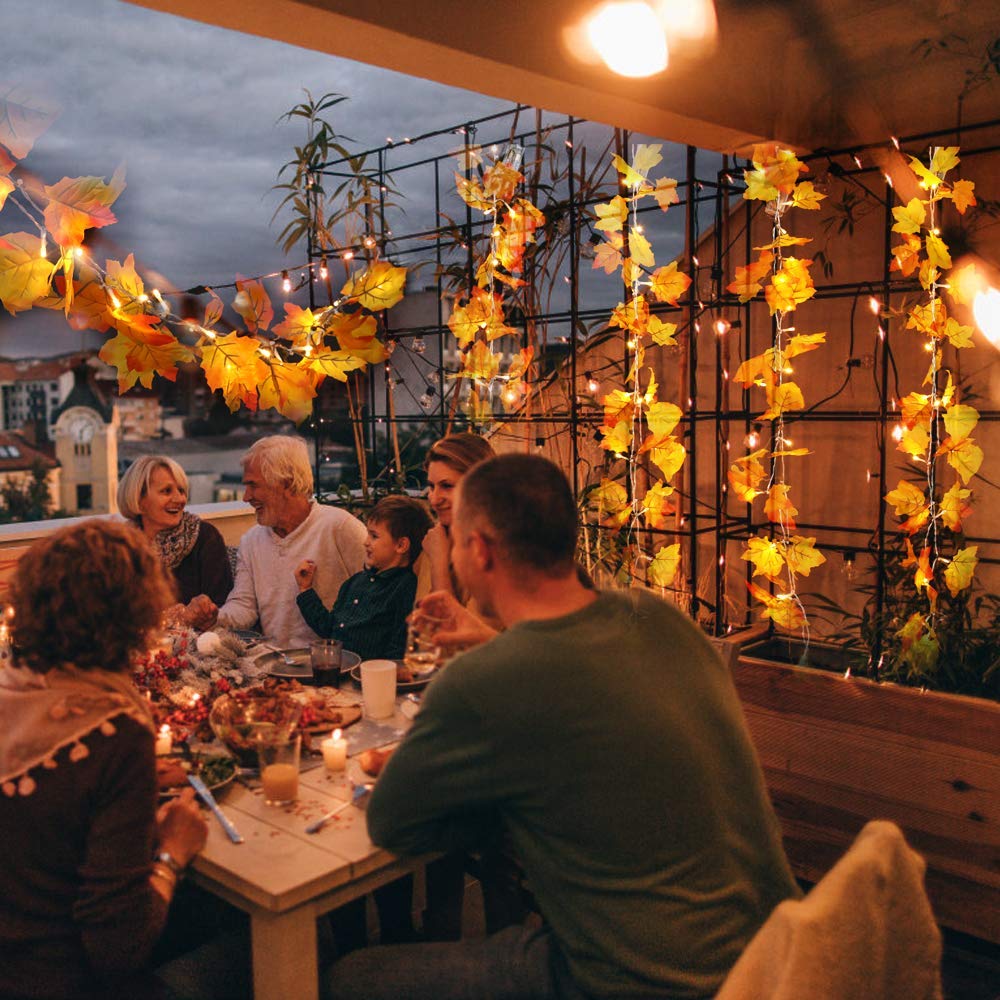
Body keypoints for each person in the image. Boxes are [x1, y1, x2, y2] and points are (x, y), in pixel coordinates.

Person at [327, 455, 800, 1000]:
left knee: (351, 978)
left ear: (479, 550)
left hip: (633, 983)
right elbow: (573, 684)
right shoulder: (661, 620)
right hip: (779, 961)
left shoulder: (482, 680)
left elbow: (392, 824)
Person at [0, 520, 208, 1000]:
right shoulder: (114, 734)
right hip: (58, 979)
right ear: (134, 617)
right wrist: (172, 853)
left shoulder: (13, 688)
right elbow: (117, 946)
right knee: (268, 945)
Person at [202, 435, 367, 647]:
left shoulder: (341, 528)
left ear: (287, 484)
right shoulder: (251, 541)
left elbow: (377, 596)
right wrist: (214, 617)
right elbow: (244, 606)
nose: (246, 497)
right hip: (273, 662)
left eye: (253, 485)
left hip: (332, 660)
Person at [294, 495, 432, 660]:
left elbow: (398, 647)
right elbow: (330, 629)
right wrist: (305, 590)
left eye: (374, 536)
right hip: (337, 668)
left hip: (370, 673)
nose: (365, 542)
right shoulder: (354, 583)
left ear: (401, 545)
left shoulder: (405, 586)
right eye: (368, 534)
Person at [117, 454, 233, 611]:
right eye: (166, 491)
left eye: (181, 490)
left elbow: (221, 606)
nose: (179, 499)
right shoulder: (123, 546)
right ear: (139, 500)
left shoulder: (205, 537)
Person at [419, 432, 495, 602]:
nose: (434, 499)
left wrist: (439, 565)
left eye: (447, 486)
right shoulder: (436, 539)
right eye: (431, 486)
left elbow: (448, 620)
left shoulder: (499, 554)